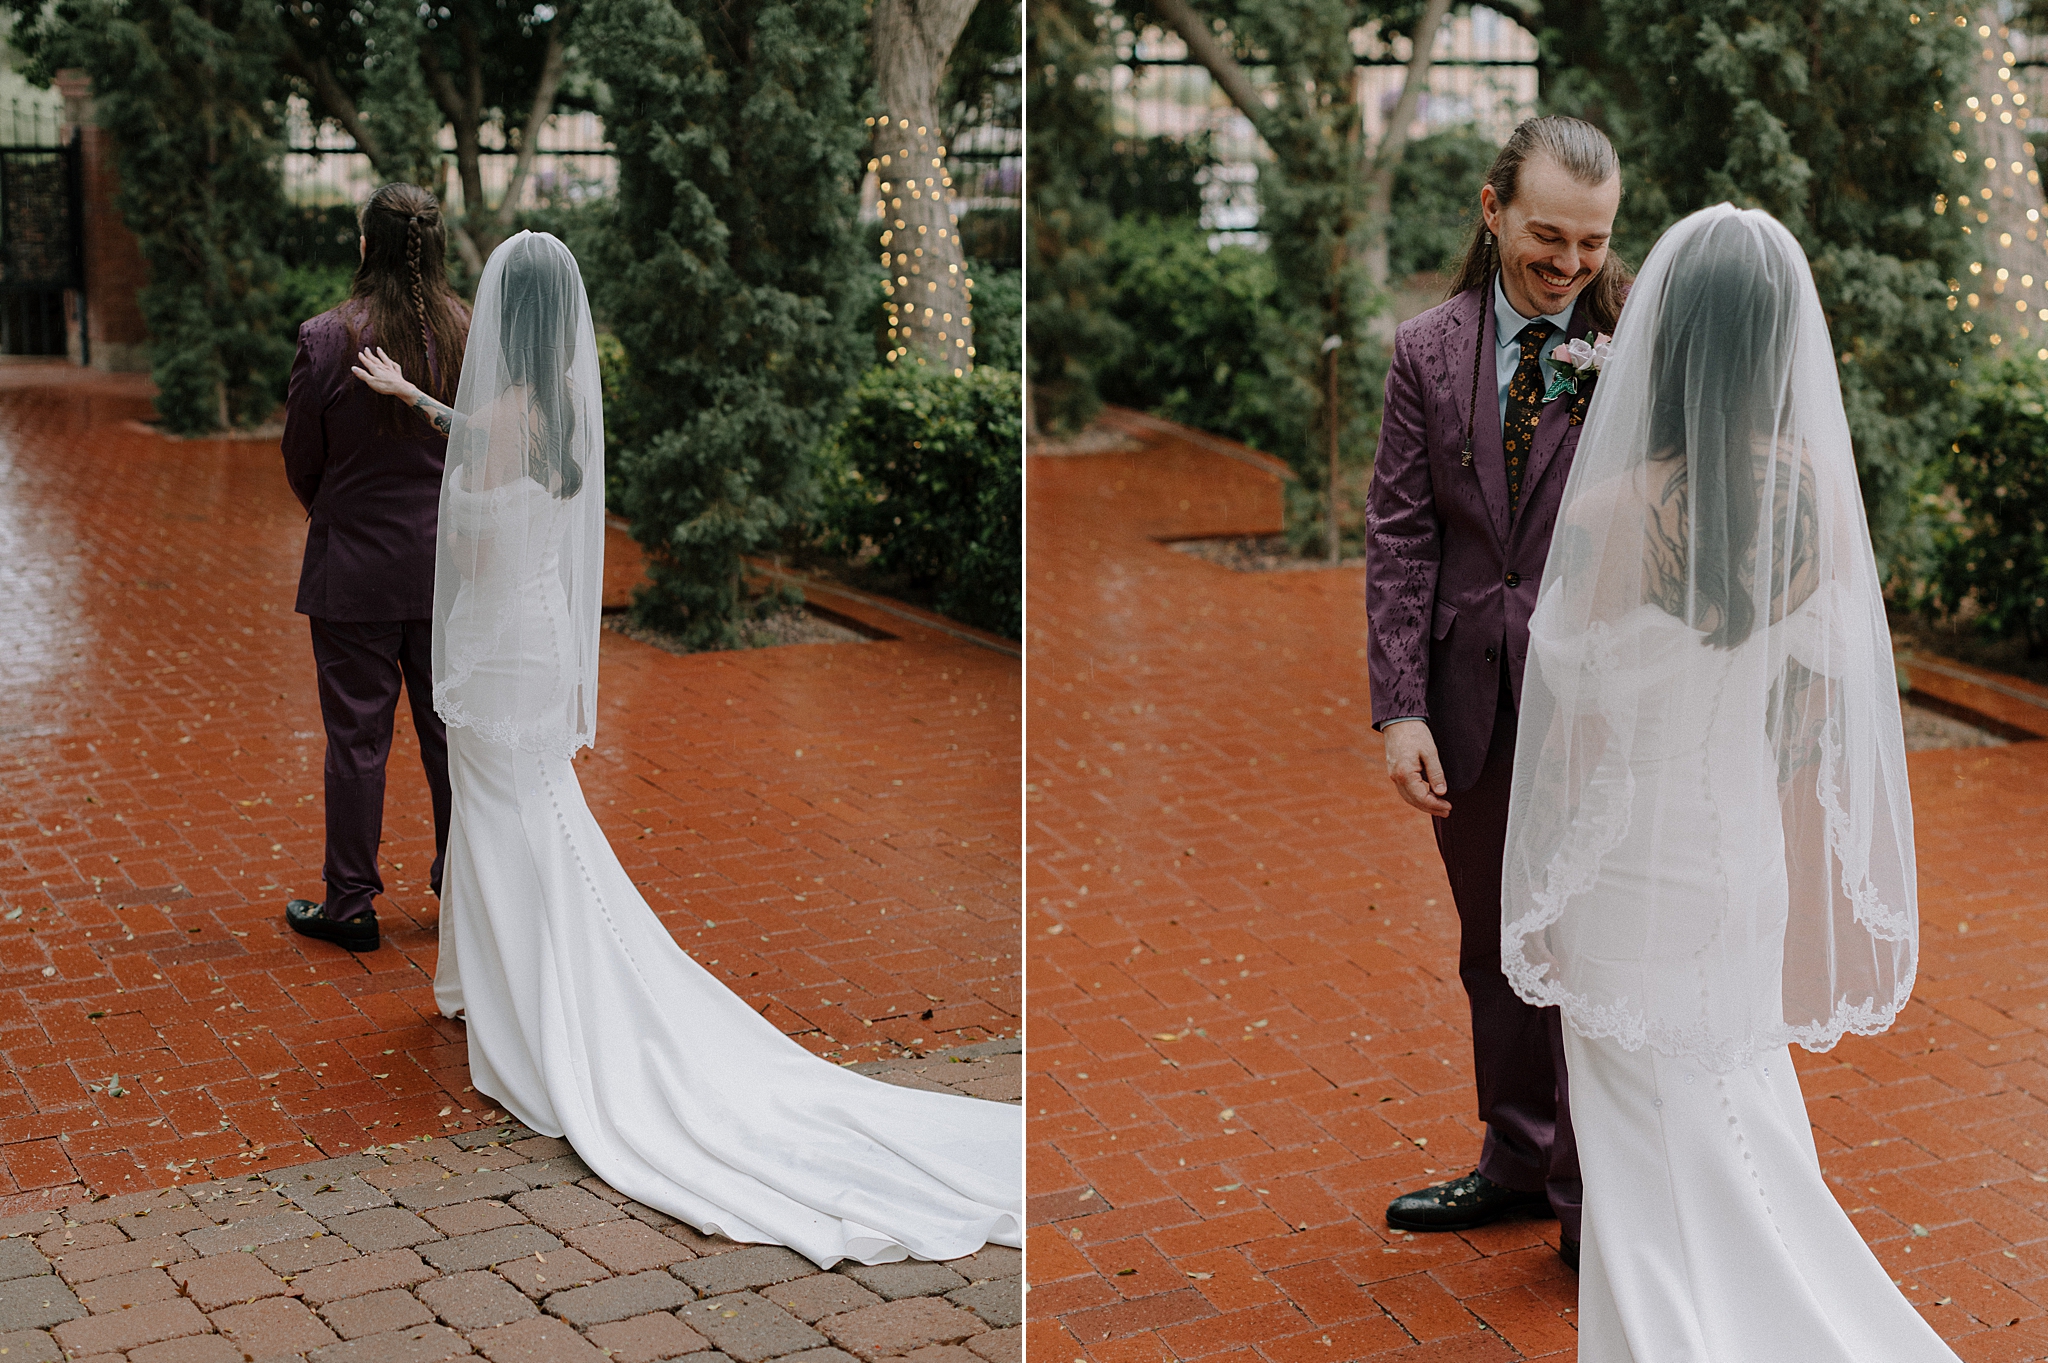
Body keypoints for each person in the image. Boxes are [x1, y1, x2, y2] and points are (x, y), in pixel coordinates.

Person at [349, 230, 1022, 1268]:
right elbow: (479, 437)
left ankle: (520, 1014)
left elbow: (472, 519)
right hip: (532, 645)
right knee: (532, 811)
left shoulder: (501, 421)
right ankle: (493, 987)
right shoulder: (556, 405)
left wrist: (439, 466)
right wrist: (416, 401)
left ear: (505, 315)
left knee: (494, 821)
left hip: (489, 651)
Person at [1501, 204, 1946, 1358]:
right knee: (1738, 1107)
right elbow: (1822, 680)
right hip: (1740, 856)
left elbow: (1571, 703)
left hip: (1632, 868)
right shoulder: (1806, 503)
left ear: (1667, 335)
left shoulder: (1607, 511)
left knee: (1640, 1155)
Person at [1364, 115, 1630, 1267]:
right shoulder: (1424, 350)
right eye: (1546, 236)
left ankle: (1592, 1202)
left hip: (1607, 705)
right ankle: (1515, 1161)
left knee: (1595, 947)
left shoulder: (1638, 342)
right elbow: (1399, 534)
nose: (1570, 264)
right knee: (1497, 945)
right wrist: (1398, 705)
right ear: (1489, 209)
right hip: (1468, 698)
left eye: (1592, 241)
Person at [281, 184, 471, 953]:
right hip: (449, 571)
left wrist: (340, 517)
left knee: (356, 739)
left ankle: (351, 903)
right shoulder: (466, 333)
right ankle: (461, 885)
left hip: (354, 568)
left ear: (365, 247)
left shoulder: (328, 337)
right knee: (448, 736)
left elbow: (303, 460)